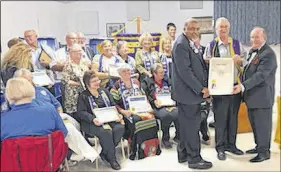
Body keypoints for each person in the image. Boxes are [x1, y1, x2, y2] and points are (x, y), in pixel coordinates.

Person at [13, 68, 99, 164]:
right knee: (68, 128)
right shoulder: (18, 97)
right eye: (26, 80)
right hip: (40, 123)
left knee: (75, 124)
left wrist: (59, 114)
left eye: (30, 79)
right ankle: (85, 153)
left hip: (57, 115)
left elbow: (57, 105)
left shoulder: (42, 90)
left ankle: (73, 152)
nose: (30, 82)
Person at [171, 18, 212, 169]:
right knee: (192, 128)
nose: (195, 31)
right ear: (185, 28)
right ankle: (194, 159)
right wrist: (201, 89)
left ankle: (182, 154)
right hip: (187, 94)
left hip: (188, 94)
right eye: (192, 28)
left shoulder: (189, 43)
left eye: (197, 29)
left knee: (186, 126)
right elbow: (185, 72)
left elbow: (194, 64)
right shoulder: (181, 44)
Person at [204, 17, 246, 160]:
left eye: (225, 27)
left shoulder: (237, 44)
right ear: (216, 30)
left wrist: (240, 60)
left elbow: (246, 61)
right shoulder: (211, 46)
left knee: (233, 118)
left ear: (229, 28)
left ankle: (231, 145)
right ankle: (220, 147)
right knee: (220, 119)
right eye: (220, 27)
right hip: (219, 89)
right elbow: (205, 64)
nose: (223, 29)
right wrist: (210, 62)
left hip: (234, 87)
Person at [233, 27, 277, 163]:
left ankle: (264, 152)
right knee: (255, 125)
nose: (254, 40)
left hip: (262, 98)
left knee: (263, 126)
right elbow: (248, 69)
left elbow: (260, 75)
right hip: (252, 98)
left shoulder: (268, 54)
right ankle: (259, 147)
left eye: (257, 37)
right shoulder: (252, 52)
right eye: (252, 37)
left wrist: (242, 86)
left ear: (264, 37)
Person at [110, 63, 161, 159]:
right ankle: (137, 149)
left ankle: (152, 148)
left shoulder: (136, 82)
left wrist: (148, 106)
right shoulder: (116, 87)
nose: (126, 73)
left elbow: (143, 96)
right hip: (127, 112)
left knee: (151, 117)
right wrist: (123, 111)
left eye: (128, 70)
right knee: (136, 119)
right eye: (123, 71)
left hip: (141, 109)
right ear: (119, 74)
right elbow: (114, 104)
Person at [77, 70, 125, 170]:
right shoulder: (83, 96)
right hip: (91, 122)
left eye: (97, 80)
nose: (97, 82)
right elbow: (81, 112)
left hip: (108, 118)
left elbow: (112, 105)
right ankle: (112, 159)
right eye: (94, 81)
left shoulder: (104, 91)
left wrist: (118, 115)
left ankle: (105, 152)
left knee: (120, 128)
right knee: (106, 132)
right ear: (87, 83)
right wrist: (93, 119)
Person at [1, 77, 67, 141]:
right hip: (47, 151)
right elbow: (63, 134)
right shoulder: (49, 110)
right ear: (31, 89)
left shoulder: (3, 119)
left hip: (14, 151)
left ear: (7, 94)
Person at [141, 63, 179, 148]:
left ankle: (178, 136)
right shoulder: (147, 82)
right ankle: (165, 139)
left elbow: (174, 90)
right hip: (156, 106)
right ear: (154, 73)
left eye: (163, 72)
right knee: (166, 115)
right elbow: (145, 96)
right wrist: (153, 101)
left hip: (169, 104)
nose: (163, 74)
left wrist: (174, 100)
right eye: (160, 72)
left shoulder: (166, 80)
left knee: (178, 112)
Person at [61, 43, 89, 120]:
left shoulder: (84, 63)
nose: (79, 53)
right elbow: (66, 80)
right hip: (73, 95)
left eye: (80, 51)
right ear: (71, 53)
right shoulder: (68, 64)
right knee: (75, 116)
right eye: (76, 51)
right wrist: (79, 84)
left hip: (84, 92)